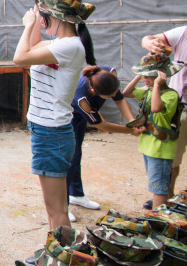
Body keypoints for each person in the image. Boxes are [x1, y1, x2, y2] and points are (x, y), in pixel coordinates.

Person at [13, 0, 96, 235]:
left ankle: (64, 258)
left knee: (57, 210)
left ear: (57, 16)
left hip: (51, 133)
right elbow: (33, 49)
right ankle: (57, 255)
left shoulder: (69, 46)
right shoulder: (62, 44)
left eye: (44, 15)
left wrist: (28, 24)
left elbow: (20, 58)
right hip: (48, 130)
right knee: (53, 209)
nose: (41, 19)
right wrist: (36, 25)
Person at [66, 65, 135, 221]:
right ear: (94, 92)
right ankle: (63, 206)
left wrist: (132, 122)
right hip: (69, 119)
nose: (112, 97)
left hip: (82, 118)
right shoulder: (82, 99)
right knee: (69, 159)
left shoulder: (109, 74)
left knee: (77, 156)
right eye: (108, 96)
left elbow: (119, 99)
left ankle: (76, 194)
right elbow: (101, 125)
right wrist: (129, 131)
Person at [123, 52, 183, 209]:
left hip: (161, 149)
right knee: (155, 184)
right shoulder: (149, 91)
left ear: (161, 76)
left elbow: (156, 108)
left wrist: (156, 85)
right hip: (150, 147)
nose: (145, 79)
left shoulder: (170, 95)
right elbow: (126, 93)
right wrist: (139, 76)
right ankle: (159, 214)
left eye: (149, 76)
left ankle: (158, 221)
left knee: (159, 189)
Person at [142, 26, 187, 206]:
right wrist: (150, 43)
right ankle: (165, 200)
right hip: (179, 109)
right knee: (171, 160)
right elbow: (147, 38)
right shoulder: (183, 33)